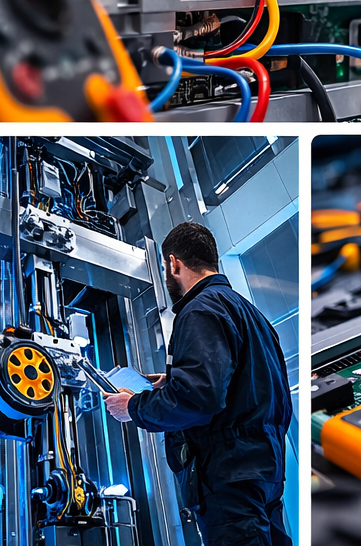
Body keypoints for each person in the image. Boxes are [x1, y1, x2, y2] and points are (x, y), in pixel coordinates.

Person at [103, 222, 292, 546]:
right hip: (264, 469)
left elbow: (198, 399)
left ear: (173, 263)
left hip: (228, 475)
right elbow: (255, 387)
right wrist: (173, 380)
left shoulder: (199, 310)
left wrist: (133, 407)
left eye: (165, 267)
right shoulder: (249, 313)